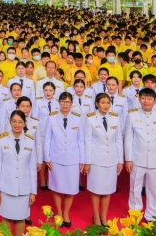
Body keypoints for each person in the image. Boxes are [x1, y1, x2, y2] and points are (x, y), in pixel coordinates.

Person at [123, 88, 156, 223]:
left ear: (155, 101)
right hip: (137, 159)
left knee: (153, 189)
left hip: (155, 160)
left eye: (149, 99)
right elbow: (128, 139)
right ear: (139, 99)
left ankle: (151, 215)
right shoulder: (132, 115)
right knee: (135, 188)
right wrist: (128, 159)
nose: (146, 101)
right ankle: (135, 213)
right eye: (143, 98)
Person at [0, 110, 37, 236]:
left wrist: (33, 192)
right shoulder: (1, 140)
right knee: (6, 218)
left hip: (23, 188)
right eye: (14, 121)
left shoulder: (30, 141)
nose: (16, 124)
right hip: (6, 187)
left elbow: (32, 168)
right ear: (10, 122)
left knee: (20, 218)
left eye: (20, 122)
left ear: (24, 123)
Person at [44, 92, 85, 227]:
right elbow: (48, 138)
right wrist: (47, 157)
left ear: (72, 104)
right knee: (56, 186)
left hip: (73, 158)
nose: (65, 104)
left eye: (68, 102)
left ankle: (66, 213)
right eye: (63, 102)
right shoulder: (52, 117)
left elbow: (81, 140)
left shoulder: (77, 118)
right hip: (56, 157)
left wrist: (82, 160)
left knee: (71, 187)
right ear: (59, 103)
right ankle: (59, 212)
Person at [84, 93, 123, 226]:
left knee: (108, 189)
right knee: (96, 189)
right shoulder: (90, 118)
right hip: (96, 160)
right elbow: (87, 142)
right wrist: (87, 162)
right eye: (102, 102)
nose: (106, 105)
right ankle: (95, 216)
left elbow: (119, 141)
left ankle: (104, 216)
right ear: (96, 104)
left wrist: (120, 161)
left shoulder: (115, 118)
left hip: (111, 159)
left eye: (107, 103)